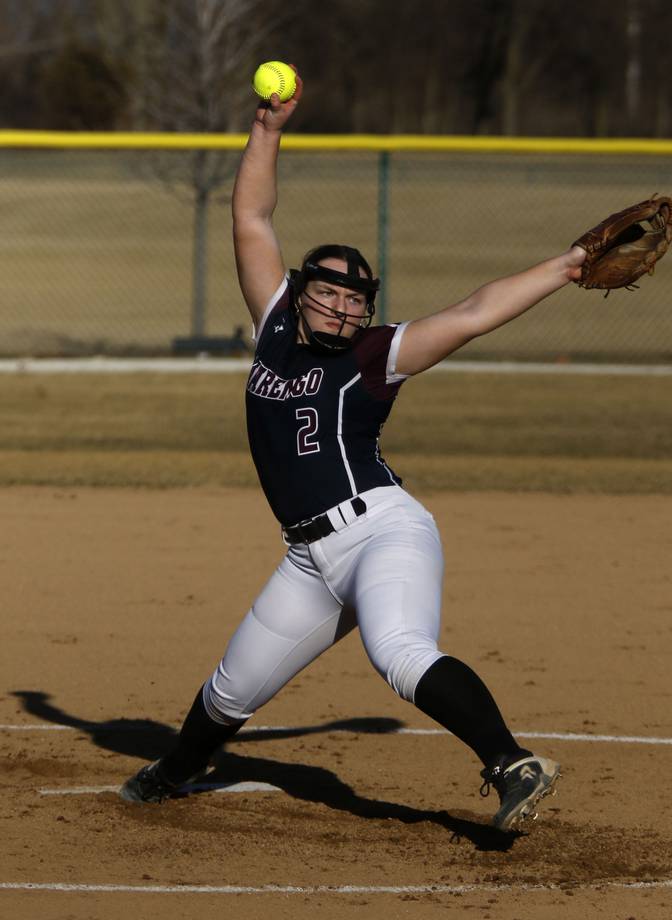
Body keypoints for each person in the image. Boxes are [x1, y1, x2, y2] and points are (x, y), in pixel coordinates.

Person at [120, 70, 586, 832]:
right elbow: (252, 216)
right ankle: (173, 772)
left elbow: (472, 313)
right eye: (332, 293)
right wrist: (267, 131)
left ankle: (513, 764)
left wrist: (566, 267)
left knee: (399, 653)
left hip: (380, 532)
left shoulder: (377, 353)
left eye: (357, 299)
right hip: (309, 558)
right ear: (301, 291)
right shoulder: (272, 319)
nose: (345, 307)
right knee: (231, 691)